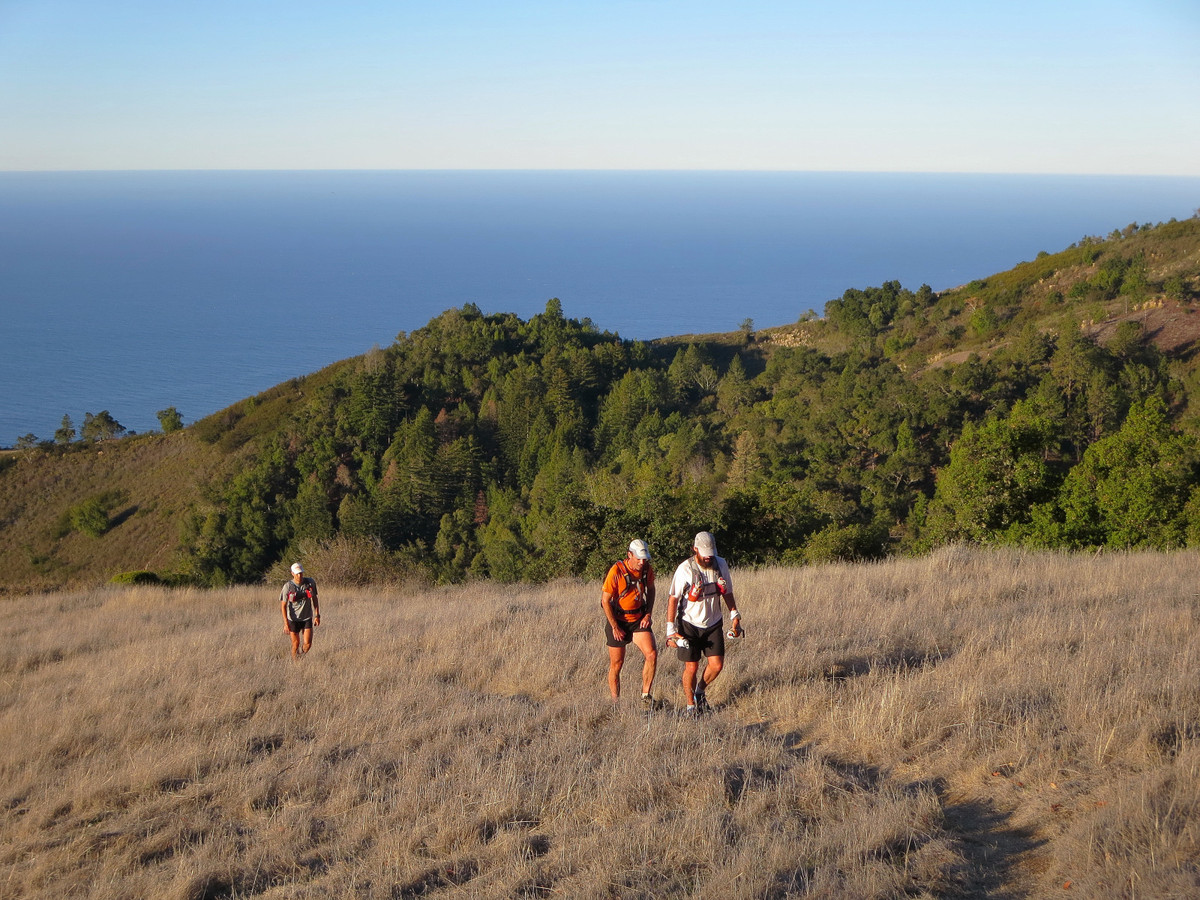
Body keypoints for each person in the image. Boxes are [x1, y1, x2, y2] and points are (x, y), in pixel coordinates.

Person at [665, 531, 742, 716]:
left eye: (711, 554)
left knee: (717, 665)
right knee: (691, 667)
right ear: (695, 549)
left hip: (713, 621)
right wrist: (670, 630)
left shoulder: (721, 564)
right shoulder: (684, 569)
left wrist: (735, 616)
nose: (708, 558)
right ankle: (690, 706)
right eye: (705, 554)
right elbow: (673, 598)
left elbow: (727, 592)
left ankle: (700, 692)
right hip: (689, 623)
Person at [601, 539, 658, 707]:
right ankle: (615, 702)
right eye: (639, 559)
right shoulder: (616, 571)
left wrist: (648, 614)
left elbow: (651, 590)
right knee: (617, 664)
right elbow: (605, 601)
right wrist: (614, 627)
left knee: (652, 654)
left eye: (644, 559)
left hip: (638, 619)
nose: (642, 562)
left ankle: (645, 697)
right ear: (629, 555)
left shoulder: (646, 569)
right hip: (618, 621)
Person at [280, 562, 320, 657]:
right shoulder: (287, 586)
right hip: (293, 619)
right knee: (295, 644)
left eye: (301, 573)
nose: (299, 575)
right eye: (297, 573)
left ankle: (301, 656)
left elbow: (315, 599)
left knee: (307, 644)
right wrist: (286, 623)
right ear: (292, 573)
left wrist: (317, 615)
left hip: (306, 617)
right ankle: (295, 662)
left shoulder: (310, 583)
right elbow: (283, 606)